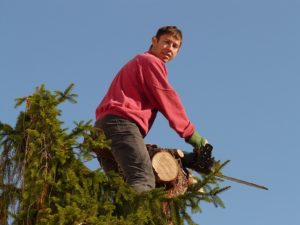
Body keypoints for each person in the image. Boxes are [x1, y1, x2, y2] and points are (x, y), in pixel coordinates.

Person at [95, 26, 208, 193]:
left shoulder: (139, 62)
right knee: (143, 179)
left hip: (104, 127)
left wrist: (188, 158)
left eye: (175, 46)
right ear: (154, 41)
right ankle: (138, 218)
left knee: (121, 190)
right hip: (121, 123)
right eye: (166, 42)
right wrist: (193, 136)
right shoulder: (150, 61)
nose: (170, 48)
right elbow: (168, 99)